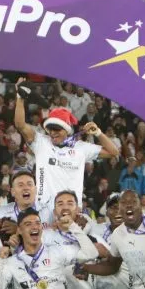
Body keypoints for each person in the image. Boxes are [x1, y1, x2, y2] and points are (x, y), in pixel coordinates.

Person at [14, 77, 119, 211]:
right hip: (44, 211)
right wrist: (20, 97)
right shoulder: (41, 142)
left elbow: (114, 152)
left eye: (57, 129)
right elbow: (20, 125)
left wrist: (98, 133)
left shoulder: (81, 148)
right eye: (50, 129)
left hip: (72, 212)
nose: (53, 133)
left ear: (67, 130)